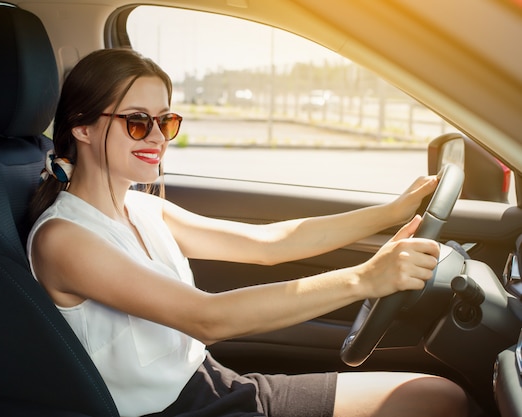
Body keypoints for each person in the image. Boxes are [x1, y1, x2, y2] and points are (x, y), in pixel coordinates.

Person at [27, 48, 469, 417]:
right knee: (438, 401)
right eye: (138, 121)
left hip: (213, 384)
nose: (158, 137)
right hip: (175, 411)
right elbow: (207, 318)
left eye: (167, 121)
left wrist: (390, 212)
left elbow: (271, 244)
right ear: (82, 127)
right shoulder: (65, 238)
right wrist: (365, 279)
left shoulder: (141, 207)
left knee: (436, 397)